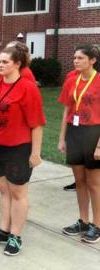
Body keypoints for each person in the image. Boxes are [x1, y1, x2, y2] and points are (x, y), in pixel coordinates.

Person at [0, 44, 45, 256]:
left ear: (18, 64)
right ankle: (3, 230)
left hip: (18, 147)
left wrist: (35, 153)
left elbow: (37, 123)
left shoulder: (28, 88)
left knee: (18, 193)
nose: (0, 65)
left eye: (5, 61)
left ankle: (15, 236)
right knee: (3, 190)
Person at [59, 44, 100, 243]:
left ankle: (97, 225)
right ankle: (83, 221)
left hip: (94, 134)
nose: (75, 61)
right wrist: (62, 138)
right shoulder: (71, 81)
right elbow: (67, 110)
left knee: (94, 183)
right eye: (74, 57)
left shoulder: (99, 81)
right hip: (74, 133)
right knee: (80, 181)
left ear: (92, 61)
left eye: (80, 58)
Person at [0, 41, 37, 206]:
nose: (1, 64)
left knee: (18, 186)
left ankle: (17, 200)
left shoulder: (25, 76)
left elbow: (30, 108)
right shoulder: (5, 75)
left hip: (19, 137)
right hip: (3, 132)